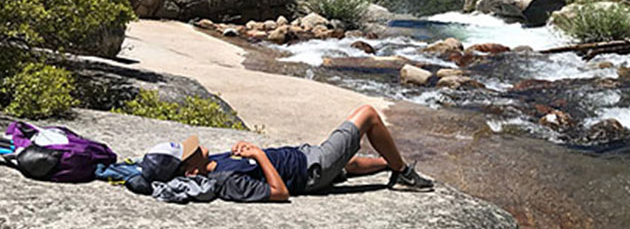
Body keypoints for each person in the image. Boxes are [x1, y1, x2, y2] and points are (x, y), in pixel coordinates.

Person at [141, 104, 433, 202]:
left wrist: (243, 151)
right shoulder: (225, 182)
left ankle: (391, 166)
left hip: (306, 158)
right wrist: (259, 155)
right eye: (189, 153)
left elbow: (246, 164)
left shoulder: (212, 163)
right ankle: (404, 175)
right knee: (367, 115)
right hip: (311, 171)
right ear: (191, 171)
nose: (195, 147)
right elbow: (279, 193)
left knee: (353, 164)